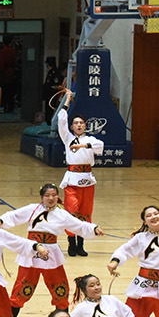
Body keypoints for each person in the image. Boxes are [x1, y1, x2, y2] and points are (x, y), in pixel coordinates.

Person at [0, 184, 102, 317]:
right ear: (42, 197)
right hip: (31, 252)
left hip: (51, 254)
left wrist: (94, 229)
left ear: (58, 197)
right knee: (21, 289)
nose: (51, 198)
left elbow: (78, 225)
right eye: (47, 195)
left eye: (54, 195)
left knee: (61, 289)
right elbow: (14, 216)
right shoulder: (33, 209)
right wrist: (1, 221)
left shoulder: (62, 214)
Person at [56, 89, 104, 256]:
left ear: (85, 125)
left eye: (81, 123)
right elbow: (61, 120)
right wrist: (68, 100)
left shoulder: (90, 140)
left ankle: (81, 243)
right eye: (75, 123)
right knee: (71, 210)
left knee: (85, 211)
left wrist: (83, 145)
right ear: (72, 126)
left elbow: (100, 146)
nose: (78, 125)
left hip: (87, 179)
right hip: (72, 179)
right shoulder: (68, 138)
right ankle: (71, 242)